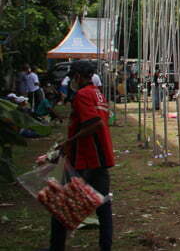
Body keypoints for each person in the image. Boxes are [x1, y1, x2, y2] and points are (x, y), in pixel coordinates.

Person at [49, 60, 114, 251]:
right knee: (103, 205)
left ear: (77, 76)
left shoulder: (83, 95)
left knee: (61, 205)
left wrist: (69, 142)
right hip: (100, 156)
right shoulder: (97, 93)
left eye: (72, 77)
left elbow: (94, 123)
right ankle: (105, 246)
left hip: (87, 158)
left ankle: (56, 247)